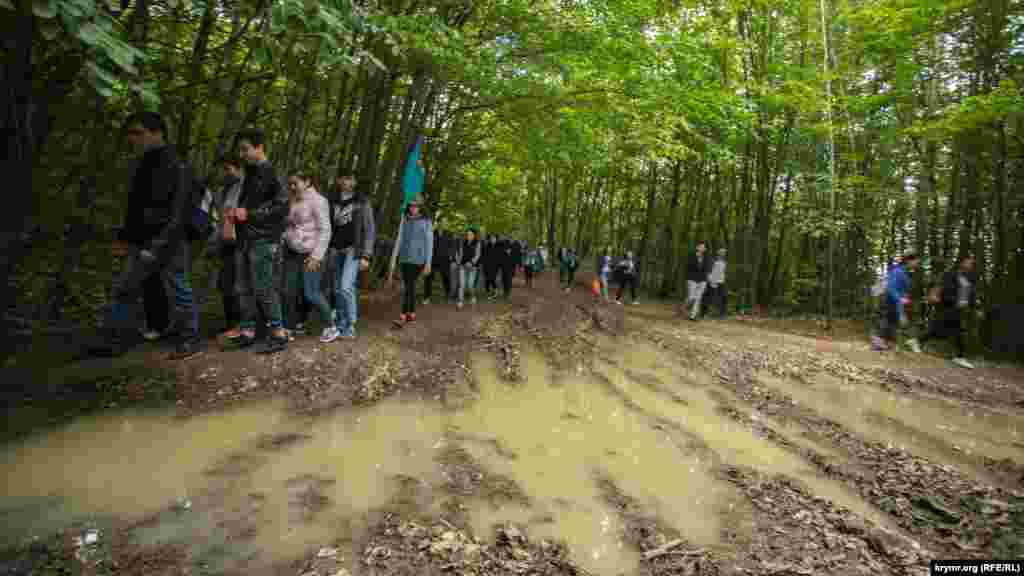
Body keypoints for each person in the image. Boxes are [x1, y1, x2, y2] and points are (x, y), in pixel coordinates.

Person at [89, 111, 201, 360]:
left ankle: (190, 338)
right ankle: (115, 340)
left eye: (138, 133)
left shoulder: (178, 164)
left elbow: (179, 211)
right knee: (125, 288)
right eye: (130, 133)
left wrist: (159, 245)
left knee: (179, 289)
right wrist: (125, 238)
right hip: (142, 241)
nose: (133, 138)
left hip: (168, 241)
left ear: (157, 133)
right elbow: (135, 207)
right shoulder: (143, 164)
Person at [226, 127, 290, 354]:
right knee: (243, 287)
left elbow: (282, 208)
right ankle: (248, 331)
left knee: (264, 288)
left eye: (245, 149)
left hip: (264, 240)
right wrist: (236, 215)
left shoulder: (273, 172)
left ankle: (278, 333)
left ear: (260, 147)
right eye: (240, 150)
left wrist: (250, 214)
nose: (241, 154)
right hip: (245, 238)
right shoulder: (250, 173)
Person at [282, 170, 335, 343]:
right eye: (289, 183)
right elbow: (290, 225)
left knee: (311, 293)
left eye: (295, 183)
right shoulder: (292, 200)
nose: (291, 187)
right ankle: (289, 327)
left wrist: (316, 256)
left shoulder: (319, 201)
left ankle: (330, 326)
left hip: (311, 254)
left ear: (307, 182)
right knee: (288, 291)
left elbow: (325, 229)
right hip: (292, 252)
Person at [328, 173, 375, 340]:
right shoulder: (332, 200)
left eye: (349, 178)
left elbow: (369, 230)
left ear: (354, 182)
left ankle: (348, 325)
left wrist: (367, 255)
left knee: (346, 287)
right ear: (338, 180)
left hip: (353, 250)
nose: (345, 181)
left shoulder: (362, 201)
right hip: (335, 250)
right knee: (340, 289)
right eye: (342, 178)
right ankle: (345, 324)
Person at [908, 255, 976, 368]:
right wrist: (954, 301)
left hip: (957, 309)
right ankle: (959, 357)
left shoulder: (967, 277)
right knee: (944, 330)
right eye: (968, 262)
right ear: (961, 263)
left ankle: (959, 356)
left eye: (971, 263)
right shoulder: (951, 274)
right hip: (947, 308)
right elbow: (944, 291)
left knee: (949, 331)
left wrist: (971, 305)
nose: (970, 265)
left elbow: (968, 294)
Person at [214, 155, 244, 339]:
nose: (225, 173)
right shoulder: (224, 190)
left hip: (240, 242)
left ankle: (240, 324)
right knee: (225, 284)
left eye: (228, 169)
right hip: (225, 241)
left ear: (238, 168)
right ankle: (231, 323)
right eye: (223, 169)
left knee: (236, 284)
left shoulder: (246, 187)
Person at [394, 196, 433, 326]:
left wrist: (428, 263)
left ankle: (403, 315)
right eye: (411, 206)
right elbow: (399, 239)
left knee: (409, 286)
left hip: (418, 260)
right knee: (409, 286)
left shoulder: (426, 221)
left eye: (415, 206)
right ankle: (411, 313)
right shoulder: (404, 219)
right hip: (405, 258)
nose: (413, 208)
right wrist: (394, 259)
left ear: (420, 207)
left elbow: (429, 242)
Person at [871, 253, 920, 351]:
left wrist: (902, 303)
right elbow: (891, 288)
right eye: (916, 262)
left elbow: (902, 291)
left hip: (895, 303)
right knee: (889, 321)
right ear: (909, 261)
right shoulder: (898, 271)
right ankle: (880, 342)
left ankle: (888, 343)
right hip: (889, 301)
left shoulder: (905, 273)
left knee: (894, 323)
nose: (917, 264)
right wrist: (900, 299)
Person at [423, 229, 451, 305]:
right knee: (428, 277)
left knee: (446, 278)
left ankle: (448, 296)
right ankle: (426, 297)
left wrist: (450, 256)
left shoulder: (449, 234)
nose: (443, 224)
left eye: (445, 222)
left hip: (444, 260)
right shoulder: (432, 233)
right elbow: (427, 245)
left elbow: (452, 246)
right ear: (439, 223)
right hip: (433, 259)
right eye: (442, 222)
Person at [685, 241, 711, 320]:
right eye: (700, 246)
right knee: (691, 297)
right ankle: (687, 304)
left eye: (703, 247)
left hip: (702, 280)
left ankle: (692, 316)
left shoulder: (706, 258)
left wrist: (708, 277)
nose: (702, 248)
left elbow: (707, 268)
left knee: (698, 297)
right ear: (697, 247)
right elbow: (688, 267)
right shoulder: (691, 256)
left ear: (705, 249)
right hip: (692, 279)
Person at [457, 228, 482, 309]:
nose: (469, 236)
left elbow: (478, 255)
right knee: (462, 284)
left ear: (474, 235)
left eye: (470, 234)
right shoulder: (463, 243)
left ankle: (473, 296)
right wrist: (458, 262)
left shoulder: (477, 243)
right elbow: (461, 254)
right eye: (467, 234)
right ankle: (460, 301)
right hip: (463, 266)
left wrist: (471, 262)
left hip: (472, 267)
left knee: (470, 285)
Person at [707, 248, 728, 319]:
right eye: (721, 252)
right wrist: (710, 281)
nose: (723, 254)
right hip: (713, 281)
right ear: (718, 253)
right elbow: (709, 271)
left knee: (723, 298)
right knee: (712, 298)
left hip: (721, 282)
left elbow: (723, 272)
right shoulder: (713, 261)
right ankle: (709, 313)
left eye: (724, 252)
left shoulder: (724, 261)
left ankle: (722, 314)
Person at [499, 236, 516, 301]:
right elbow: (500, 255)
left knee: (508, 280)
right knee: (504, 279)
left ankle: (508, 293)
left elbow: (515, 255)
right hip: (504, 266)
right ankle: (505, 292)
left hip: (510, 266)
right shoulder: (503, 245)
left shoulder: (514, 246)